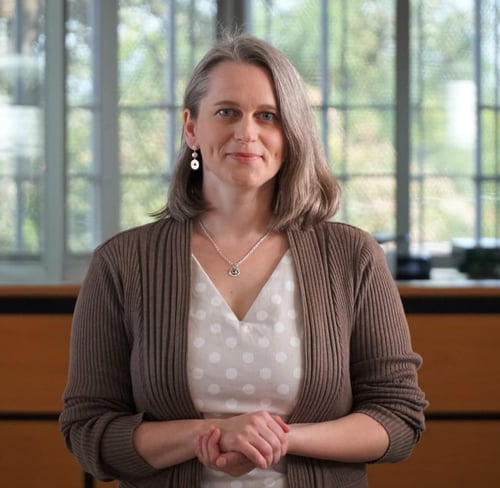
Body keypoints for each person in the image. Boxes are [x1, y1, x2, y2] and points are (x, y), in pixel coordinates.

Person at [59, 32, 427, 488]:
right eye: (226, 112)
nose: (246, 133)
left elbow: (398, 416)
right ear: (191, 128)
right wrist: (211, 434)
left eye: (267, 116)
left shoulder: (352, 256)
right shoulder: (121, 263)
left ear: (290, 133)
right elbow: (88, 432)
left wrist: (277, 439)